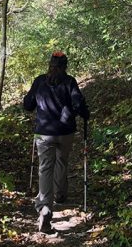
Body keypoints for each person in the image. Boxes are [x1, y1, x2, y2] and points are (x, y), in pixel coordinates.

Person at [23, 51, 90, 233]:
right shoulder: (69, 82)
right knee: (62, 161)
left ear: (50, 64)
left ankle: (45, 206)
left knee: (45, 167)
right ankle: (60, 194)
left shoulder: (39, 81)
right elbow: (78, 104)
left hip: (44, 133)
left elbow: (28, 105)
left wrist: (31, 100)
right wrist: (84, 114)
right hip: (65, 132)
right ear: (65, 65)